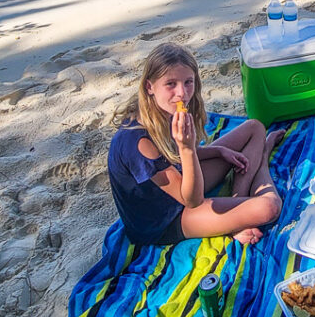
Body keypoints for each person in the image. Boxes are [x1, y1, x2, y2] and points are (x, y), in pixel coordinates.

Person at [108, 43, 283, 247]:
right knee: (269, 207)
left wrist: (218, 150)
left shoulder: (165, 110)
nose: (182, 93)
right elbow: (192, 201)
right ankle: (261, 161)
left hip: (181, 176)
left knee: (254, 128)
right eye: (171, 84)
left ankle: (238, 199)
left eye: (188, 82)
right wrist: (187, 148)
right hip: (167, 220)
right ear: (149, 87)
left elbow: (173, 158)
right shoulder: (139, 142)